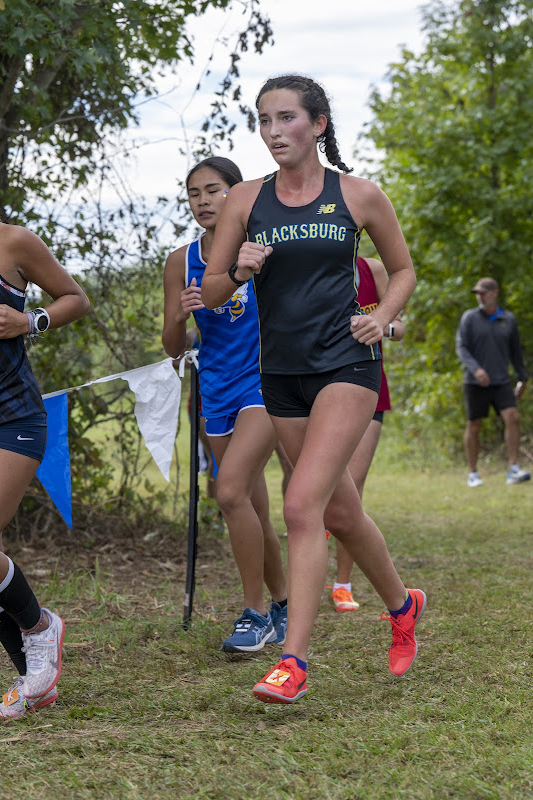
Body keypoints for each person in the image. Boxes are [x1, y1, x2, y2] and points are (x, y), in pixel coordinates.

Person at [201, 74, 426, 704]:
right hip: (280, 374)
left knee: (301, 506)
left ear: (318, 124)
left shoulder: (357, 195)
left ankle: (292, 660)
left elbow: (404, 270)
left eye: (286, 119)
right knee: (340, 509)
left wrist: (381, 318)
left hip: (347, 364)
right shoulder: (246, 200)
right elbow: (213, 293)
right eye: (264, 121)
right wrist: (238, 270)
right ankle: (404, 605)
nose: (274, 132)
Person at [162, 156, 288, 653]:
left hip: (265, 382)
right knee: (252, 506)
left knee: (229, 492)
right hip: (215, 389)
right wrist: (180, 313)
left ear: (236, 195)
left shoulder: (261, 248)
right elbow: (174, 345)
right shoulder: (182, 261)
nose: (203, 201)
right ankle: (281, 603)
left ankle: (254, 613)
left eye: (213, 191)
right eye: (194, 194)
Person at [0, 216, 90, 719]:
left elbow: (75, 298)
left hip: (14, 419)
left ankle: (40, 629)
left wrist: (28, 320)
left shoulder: (13, 242)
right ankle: (32, 676)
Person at [331, 256, 405, 613]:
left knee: (353, 487)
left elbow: (400, 325)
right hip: (317, 387)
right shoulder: (301, 258)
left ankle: (342, 584)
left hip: (368, 383)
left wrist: (380, 326)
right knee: (320, 491)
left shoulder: (372, 269)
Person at [456, 276, 530, 488]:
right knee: (474, 425)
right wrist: (476, 369)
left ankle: (514, 468)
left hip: (501, 380)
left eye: (484, 292)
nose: (480, 297)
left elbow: (516, 352)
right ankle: (473, 473)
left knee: (512, 416)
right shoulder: (469, 318)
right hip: (474, 382)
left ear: (495, 293)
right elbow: (462, 347)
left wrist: (522, 378)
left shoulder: (508, 319)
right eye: (477, 293)